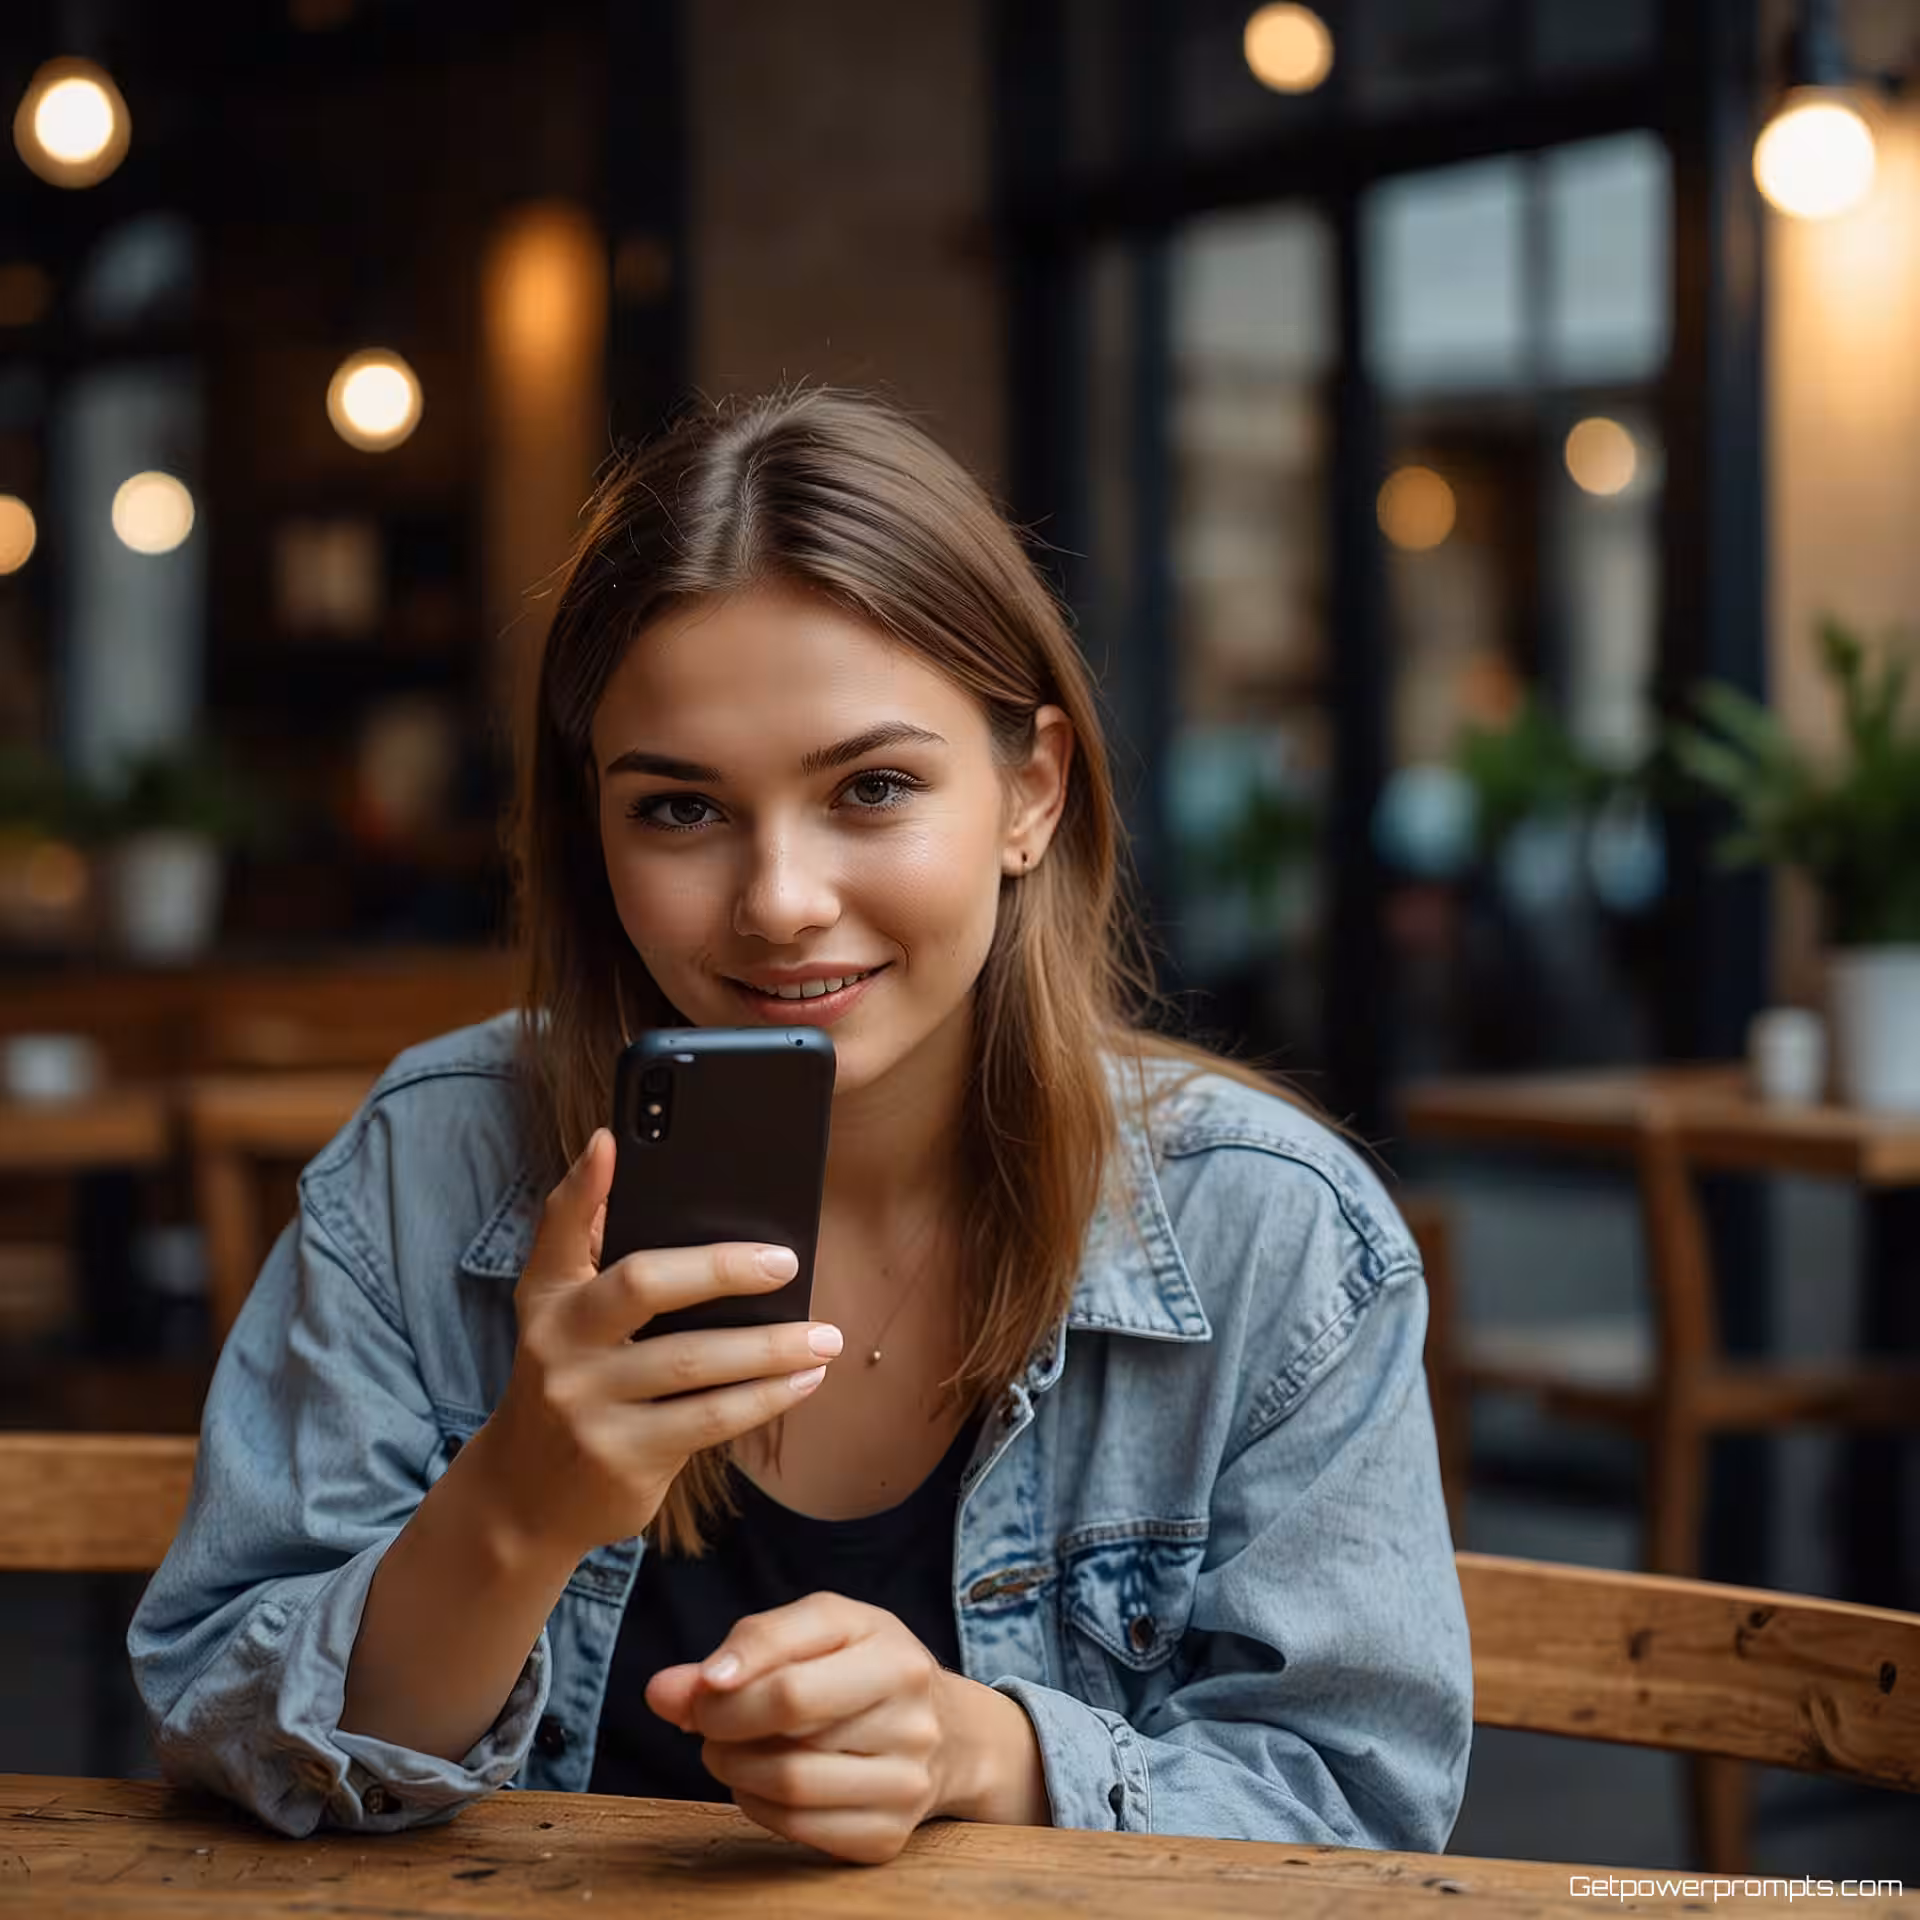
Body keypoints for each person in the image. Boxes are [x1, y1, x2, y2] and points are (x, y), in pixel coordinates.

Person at [129, 389, 1470, 1863]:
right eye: (682, 812)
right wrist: (514, 1503)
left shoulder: (1270, 1230)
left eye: (873, 788)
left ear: (1031, 790)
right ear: (595, 830)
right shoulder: (433, 1163)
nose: (779, 900)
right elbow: (223, 1719)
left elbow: (1361, 1804)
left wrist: (985, 1750)